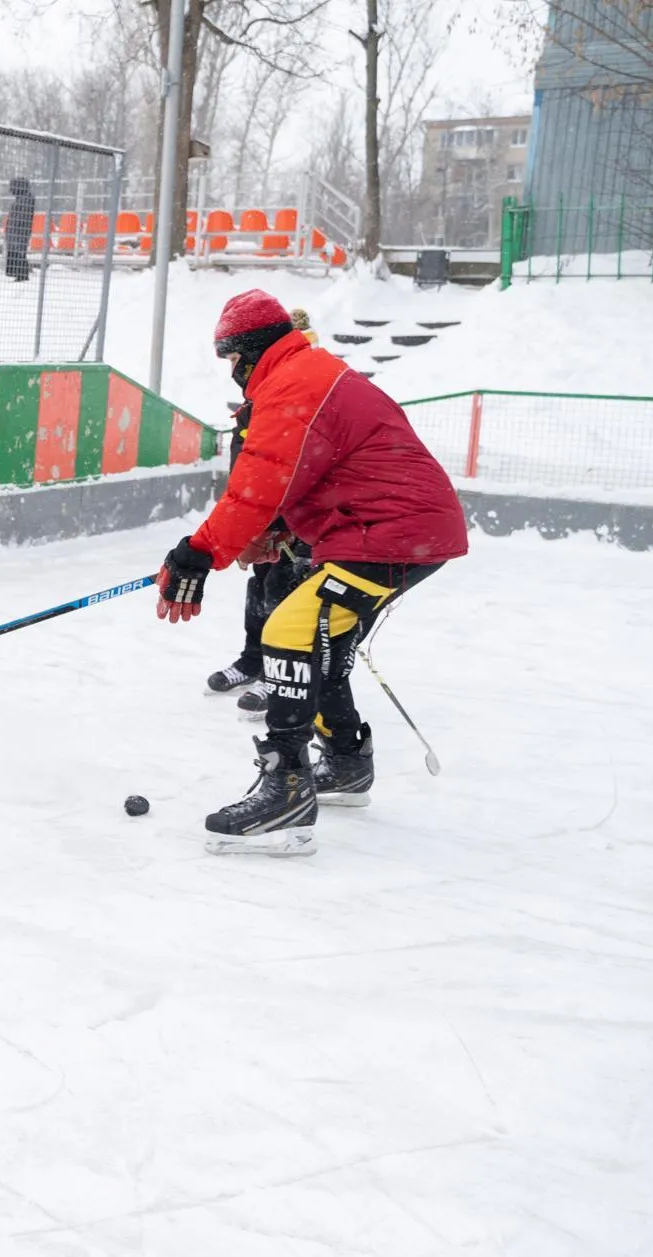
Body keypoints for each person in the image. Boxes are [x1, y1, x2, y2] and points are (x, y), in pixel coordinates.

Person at [154, 289, 467, 855]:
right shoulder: (304, 373)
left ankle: (286, 790)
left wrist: (196, 553)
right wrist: (278, 534)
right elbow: (309, 477)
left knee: (289, 632)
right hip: (382, 528)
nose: (232, 372)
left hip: (389, 532)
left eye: (230, 360)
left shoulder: (293, 384)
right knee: (317, 641)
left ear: (246, 350)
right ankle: (346, 762)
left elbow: (257, 486)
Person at [204, 307, 320, 713]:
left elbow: (296, 466)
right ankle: (254, 660)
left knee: (287, 598)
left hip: (300, 524)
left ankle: (283, 677)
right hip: (263, 517)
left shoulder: (300, 388)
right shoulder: (257, 396)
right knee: (261, 588)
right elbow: (250, 461)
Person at [4, 178, 36, 282]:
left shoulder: (25, 200)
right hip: (16, 230)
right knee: (17, 251)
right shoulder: (22, 199)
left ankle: (22, 274)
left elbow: (21, 217)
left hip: (19, 231)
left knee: (19, 251)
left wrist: (14, 227)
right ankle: (19, 273)